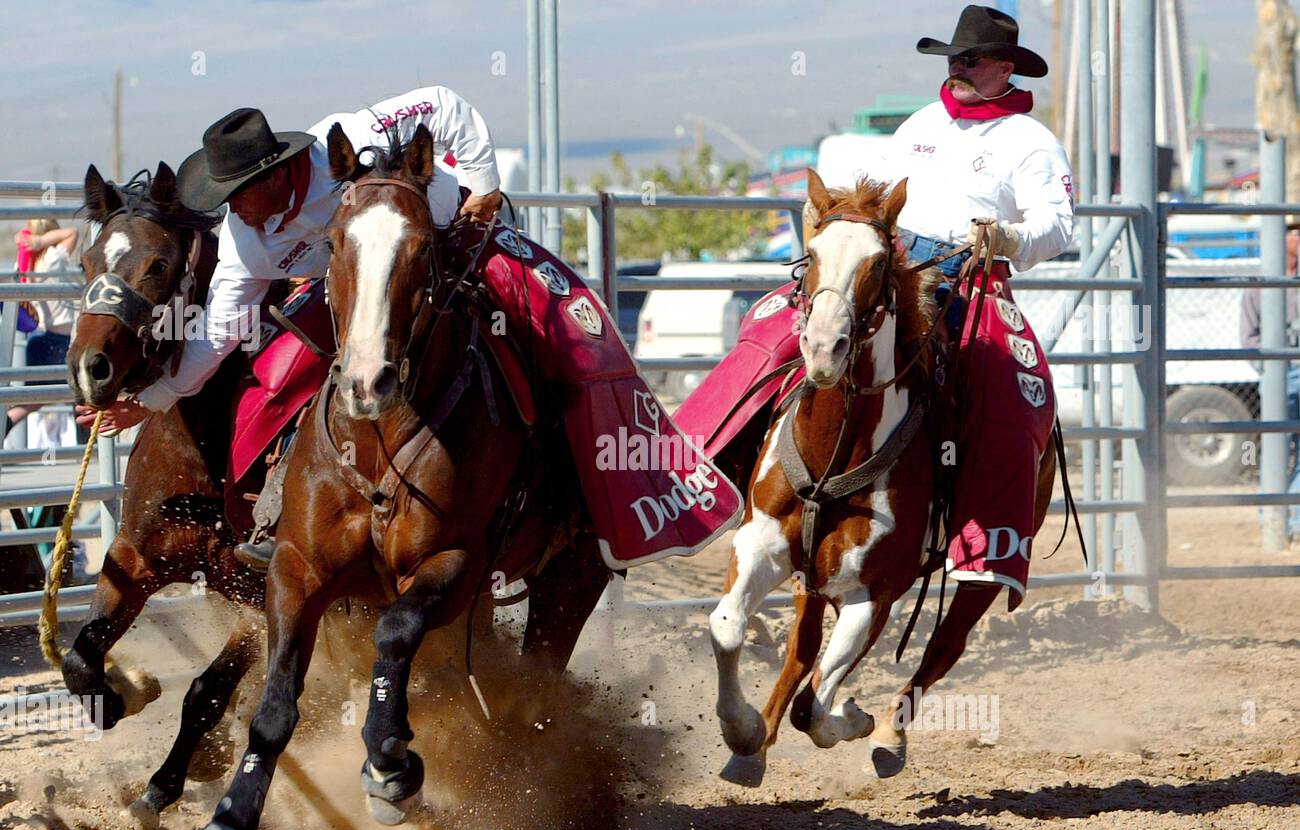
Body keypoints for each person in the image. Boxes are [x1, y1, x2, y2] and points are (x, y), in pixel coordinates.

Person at [75, 90, 740, 571]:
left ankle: (609, 485)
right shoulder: (245, 243)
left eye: (240, 191)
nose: (234, 209)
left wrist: (482, 185)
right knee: (272, 374)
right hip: (356, 287)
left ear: (276, 174)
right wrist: (154, 398)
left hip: (456, 238)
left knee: (564, 323)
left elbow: (444, 105)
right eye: (224, 197)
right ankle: (279, 512)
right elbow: (218, 332)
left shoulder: (353, 135)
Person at [676, 4, 1074, 610]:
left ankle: (979, 539)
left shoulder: (1031, 142)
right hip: (882, 265)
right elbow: (876, 194)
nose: (957, 70)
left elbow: (1057, 224)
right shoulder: (920, 124)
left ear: (1004, 67)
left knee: (1002, 388)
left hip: (963, 275)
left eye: (969, 60)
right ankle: (699, 470)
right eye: (953, 59)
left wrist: (1011, 238)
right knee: (775, 330)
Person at [1239, 219, 1300, 540]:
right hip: (1280, 374)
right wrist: (1270, 369)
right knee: (1277, 443)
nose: (1298, 236)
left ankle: (1295, 521)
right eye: (1293, 230)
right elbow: (1248, 337)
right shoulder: (1258, 285)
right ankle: (1273, 518)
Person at [5, 218, 80, 439]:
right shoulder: (52, 258)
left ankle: (4, 427)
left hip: (39, 339)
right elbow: (73, 233)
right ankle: (92, 450)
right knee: (82, 393)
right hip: (60, 341)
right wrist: (40, 241)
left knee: (32, 401)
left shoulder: (25, 266)